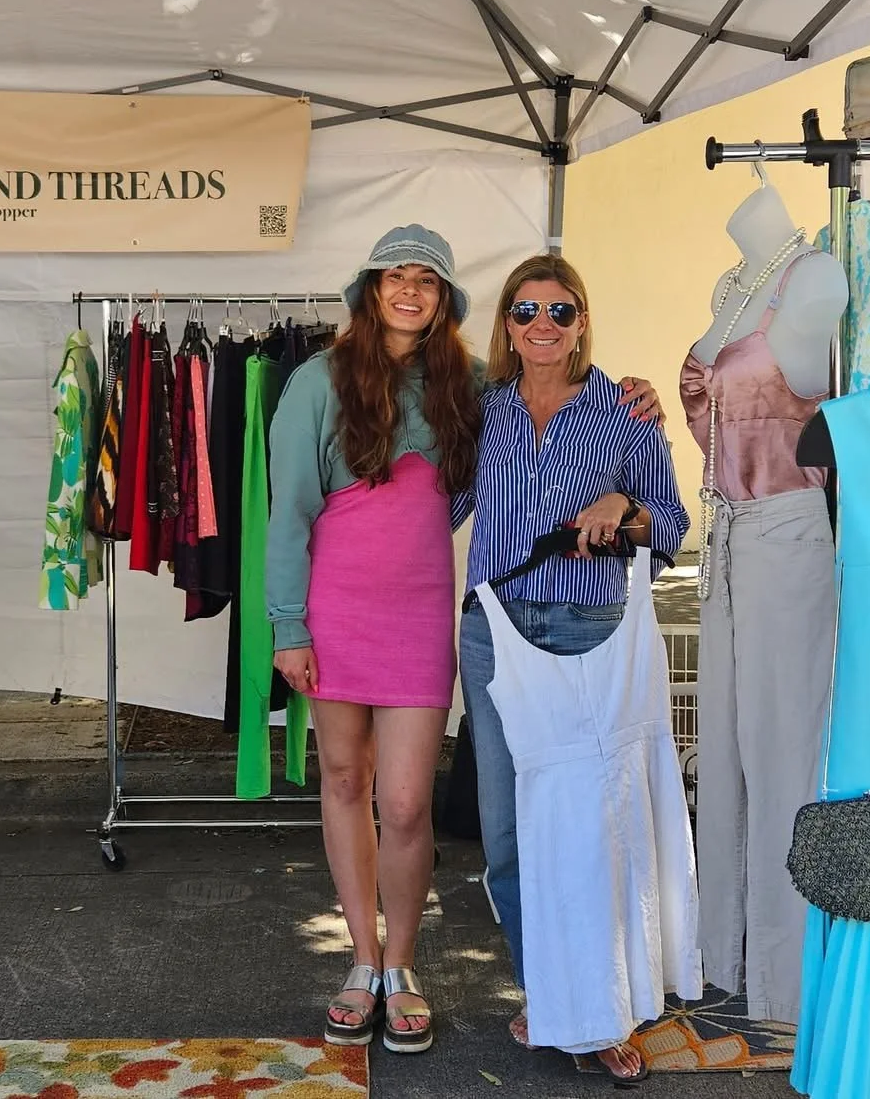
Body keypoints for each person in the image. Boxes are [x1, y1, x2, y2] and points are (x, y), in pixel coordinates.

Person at [267, 228, 666, 1055]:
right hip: (338, 608)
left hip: (424, 613)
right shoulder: (317, 380)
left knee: (409, 803)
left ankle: (406, 964)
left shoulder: (469, 387)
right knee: (346, 781)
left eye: (427, 280)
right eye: (395, 277)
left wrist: (640, 399)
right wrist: (286, 624)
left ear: (447, 298)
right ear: (370, 288)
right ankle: (365, 964)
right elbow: (289, 513)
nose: (410, 291)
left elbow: (555, 381)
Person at [455, 253, 697, 1083]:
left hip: (590, 626)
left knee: (596, 826)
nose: (543, 326)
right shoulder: (481, 413)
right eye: (526, 312)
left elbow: (671, 520)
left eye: (560, 311)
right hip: (493, 634)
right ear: (508, 326)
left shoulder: (625, 410)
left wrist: (622, 511)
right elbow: (432, 503)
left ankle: (603, 1006)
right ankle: (550, 993)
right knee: (511, 828)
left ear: (582, 319)